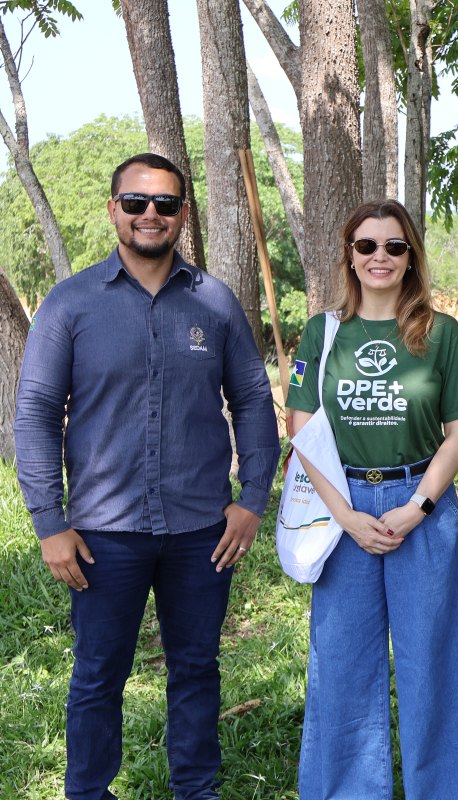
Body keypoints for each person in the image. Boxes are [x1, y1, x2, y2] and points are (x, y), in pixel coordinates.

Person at [13, 153, 280, 800]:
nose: (150, 214)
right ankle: (88, 793)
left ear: (184, 213)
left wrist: (251, 500)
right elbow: (36, 413)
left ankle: (196, 790)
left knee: (196, 669)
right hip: (105, 536)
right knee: (98, 675)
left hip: (201, 530)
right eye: (136, 202)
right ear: (114, 210)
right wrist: (50, 523)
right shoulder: (70, 303)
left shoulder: (213, 302)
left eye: (164, 203)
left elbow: (250, 397)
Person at [286, 199, 458, 799]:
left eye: (394, 246)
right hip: (340, 502)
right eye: (367, 245)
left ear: (410, 258)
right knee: (343, 665)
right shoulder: (323, 333)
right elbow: (301, 427)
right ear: (349, 256)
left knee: (436, 663)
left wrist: (418, 506)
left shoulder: (441, 333)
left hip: (419, 501)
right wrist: (345, 514)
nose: (380, 257)